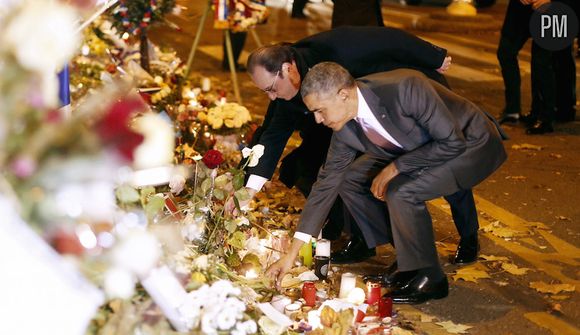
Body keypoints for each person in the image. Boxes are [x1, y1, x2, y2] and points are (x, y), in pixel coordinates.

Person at [238, 26, 484, 268]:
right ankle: (366, 240)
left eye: (271, 89)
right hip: (356, 123)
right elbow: (272, 134)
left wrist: (434, 56)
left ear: (287, 68)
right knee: (340, 174)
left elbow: (389, 39)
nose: (271, 97)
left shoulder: (332, 48)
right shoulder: (284, 91)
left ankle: (468, 234)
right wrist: (247, 189)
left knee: (442, 162)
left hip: (407, 102)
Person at [266, 62, 507, 304]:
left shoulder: (405, 88)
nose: (318, 120)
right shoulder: (344, 129)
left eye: (320, 110)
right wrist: (291, 254)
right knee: (351, 179)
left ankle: (430, 278)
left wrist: (396, 167)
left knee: (402, 191)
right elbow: (325, 185)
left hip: (470, 143)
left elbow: (452, 142)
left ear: (343, 94)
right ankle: (409, 259)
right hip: (418, 147)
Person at [496, 0, 557, 134]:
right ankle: (513, 110)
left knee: (541, 62)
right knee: (505, 52)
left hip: (549, 10)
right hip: (519, 10)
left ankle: (545, 117)